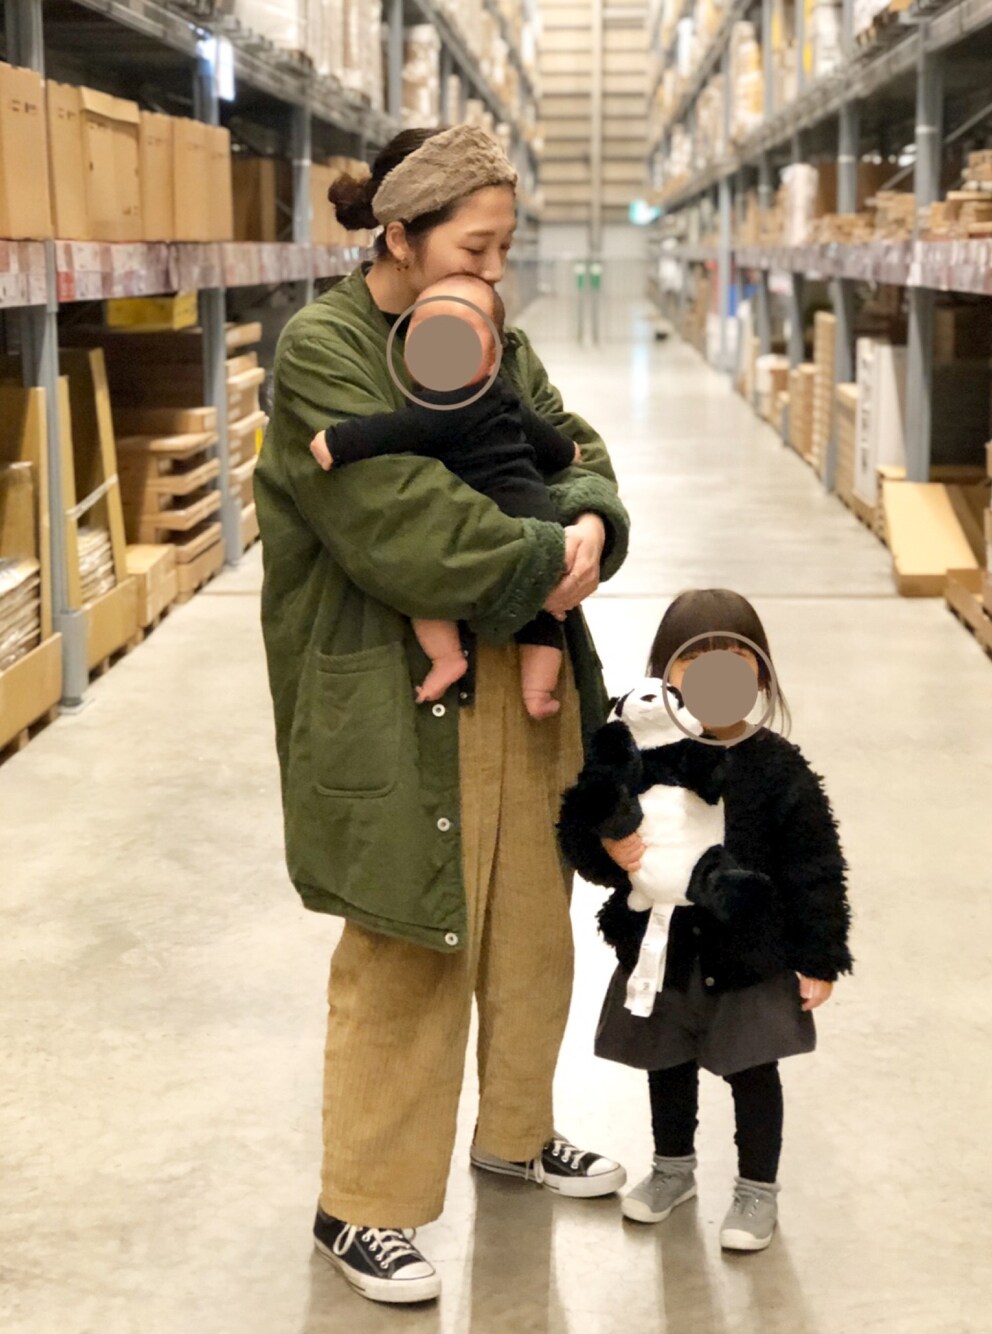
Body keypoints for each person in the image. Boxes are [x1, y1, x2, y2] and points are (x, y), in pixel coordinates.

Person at [253, 122, 631, 1307]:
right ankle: (360, 1205)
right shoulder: (324, 349)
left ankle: (515, 1130)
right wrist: (549, 553)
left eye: (506, 247)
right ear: (400, 236)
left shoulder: (490, 332)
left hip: (522, 680)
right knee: (408, 946)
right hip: (394, 693)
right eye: (474, 247)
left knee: (530, 927)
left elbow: (574, 446)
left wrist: (591, 521)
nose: (494, 271)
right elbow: (402, 523)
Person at [558, 589, 853, 1253]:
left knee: (753, 1071)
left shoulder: (777, 765)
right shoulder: (635, 756)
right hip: (666, 953)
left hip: (750, 957)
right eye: (697, 663)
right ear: (665, 678)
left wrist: (819, 955)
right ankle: (673, 1168)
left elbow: (815, 865)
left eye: (735, 663)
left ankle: (756, 1189)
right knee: (666, 1063)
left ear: (761, 678)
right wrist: (607, 845)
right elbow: (585, 831)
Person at [309, 272, 582, 720]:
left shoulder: (444, 405)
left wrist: (337, 442)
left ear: (492, 357)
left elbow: (394, 431)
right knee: (544, 617)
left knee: (424, 590)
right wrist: (568, 451)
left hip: (494, 520)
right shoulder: (502, 395)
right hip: (536, 514)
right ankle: (537, 690)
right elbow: (543, 437)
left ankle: (447, 657)